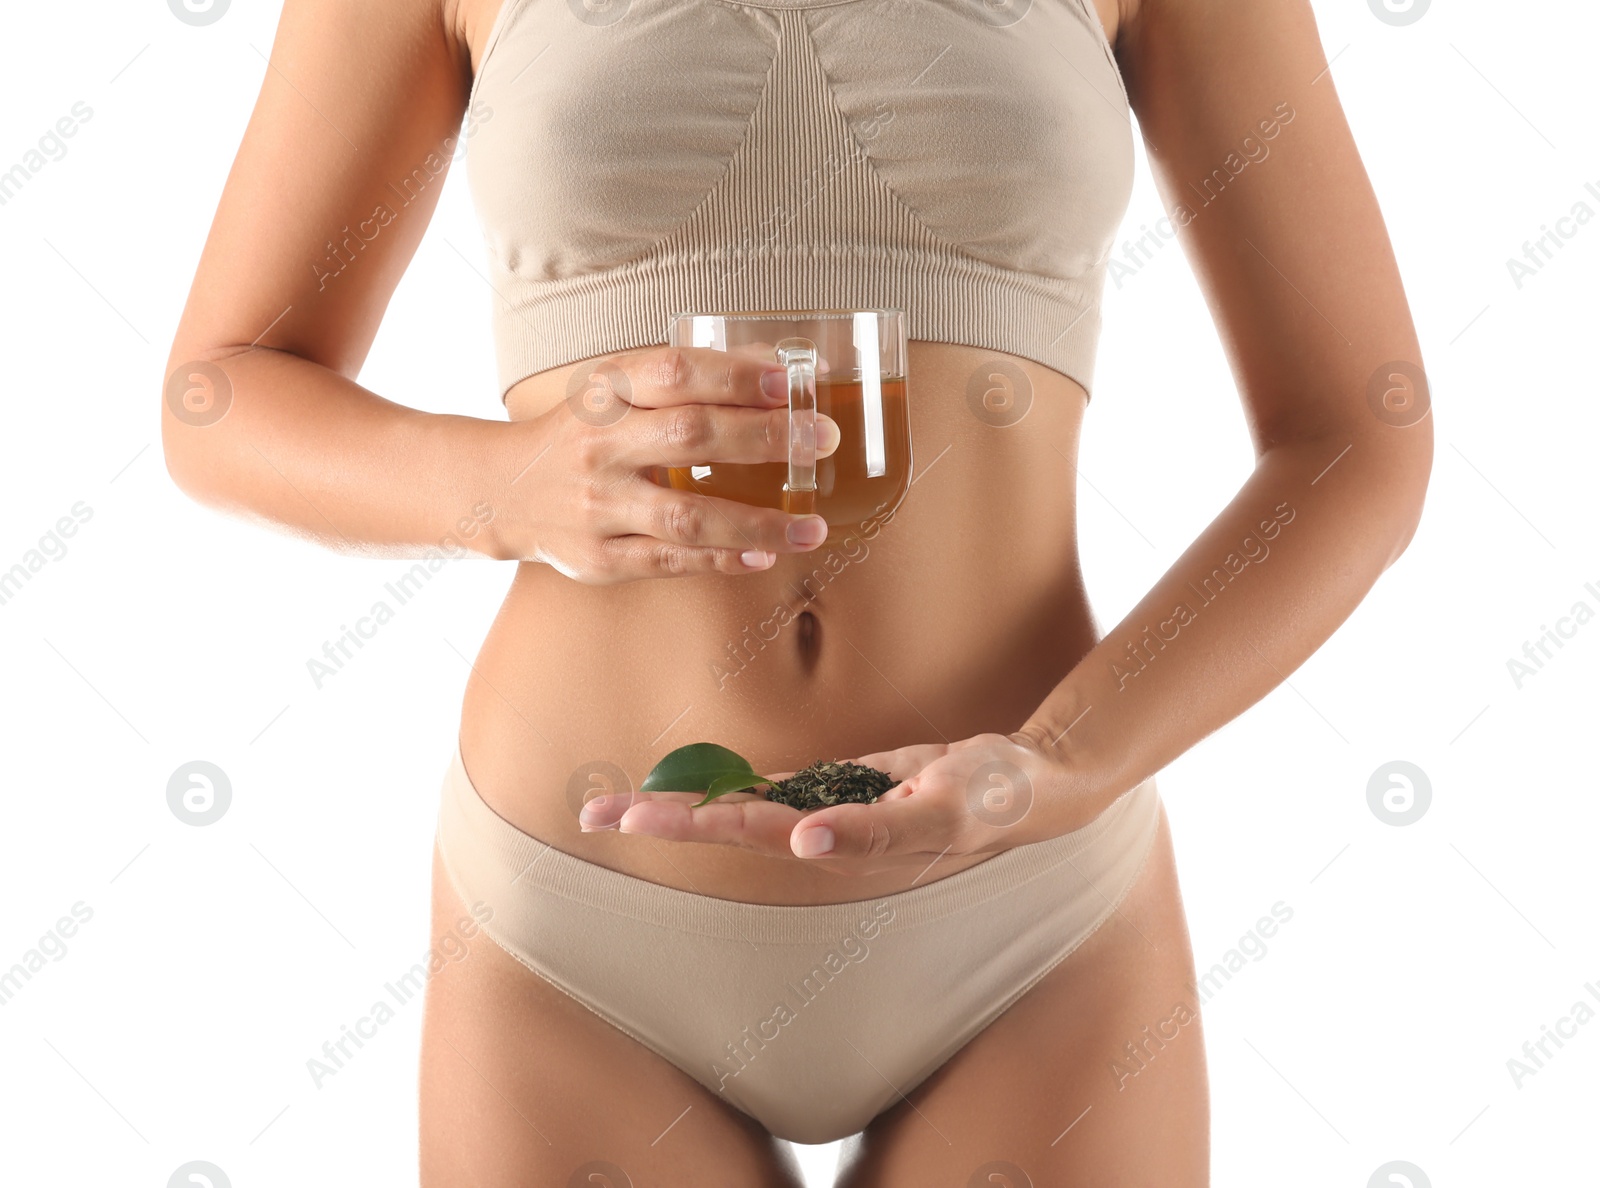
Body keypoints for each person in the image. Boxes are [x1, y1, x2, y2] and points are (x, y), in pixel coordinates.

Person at [161, 0, 1432, 1183]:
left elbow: (1358, 436)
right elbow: (218, 392)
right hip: (582, 919)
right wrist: (505, 484)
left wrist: (1066, 764)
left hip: (1025, 911)